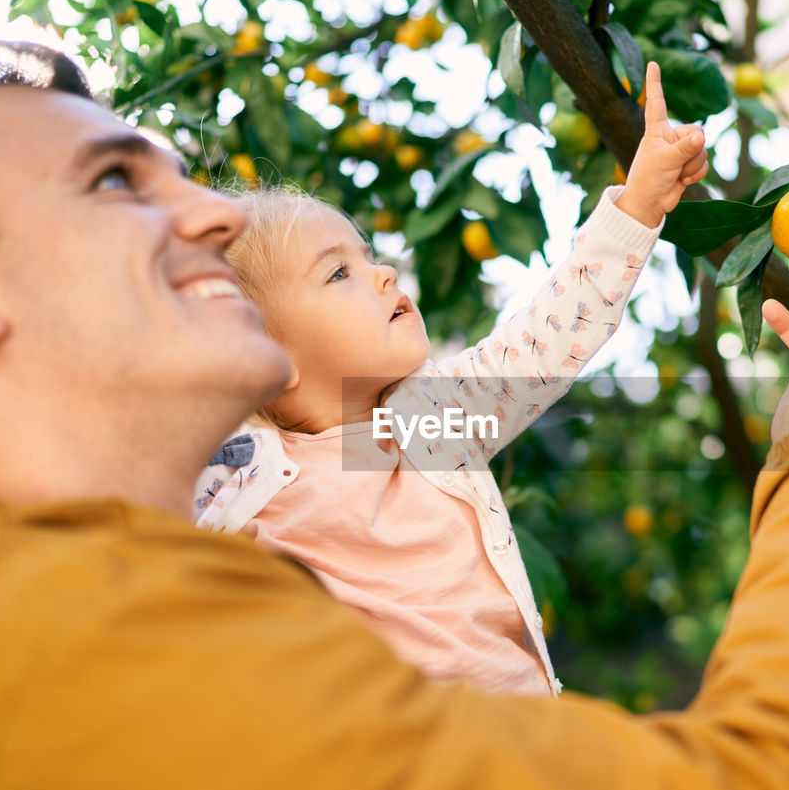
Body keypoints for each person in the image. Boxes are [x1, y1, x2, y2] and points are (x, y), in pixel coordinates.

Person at [0, 41, 789, 790]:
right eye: (113, 181)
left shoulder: (387, 436)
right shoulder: (240, 490)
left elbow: (539, 345)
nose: (213, 213)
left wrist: (637, 206)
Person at [192, 63, 707, 697]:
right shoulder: (234, 471)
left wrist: (640, 202)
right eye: (338, 275)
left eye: (369, 256)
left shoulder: (428, 419)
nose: (383, 274)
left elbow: (545, 338)